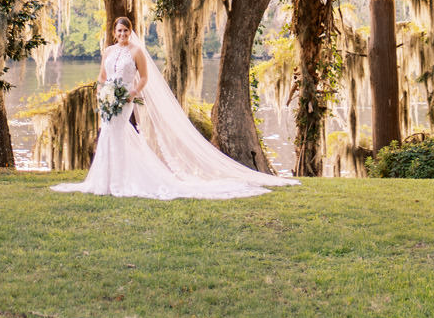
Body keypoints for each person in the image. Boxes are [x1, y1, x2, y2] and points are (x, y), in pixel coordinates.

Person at [51, 16, 293, 200]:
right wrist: (100, 91)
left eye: (126, 30)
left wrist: (132, 93)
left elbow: (143, 78)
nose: (122, 34)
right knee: (108, 136)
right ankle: (103, 180)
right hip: (107, 100)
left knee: (116, 134)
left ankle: (120, 182)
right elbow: (103, 75)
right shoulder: (109, 51)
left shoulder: (137, 52)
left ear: (130, 32)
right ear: (114, 33)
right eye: (119, 31)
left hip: (125, 100)